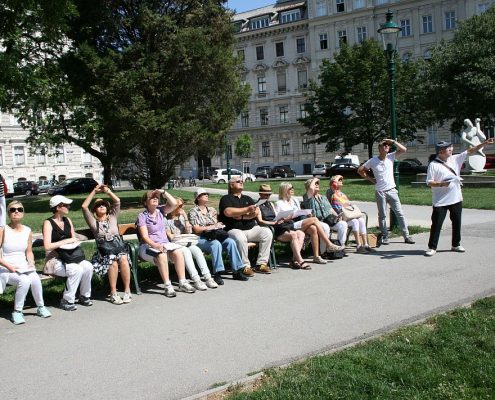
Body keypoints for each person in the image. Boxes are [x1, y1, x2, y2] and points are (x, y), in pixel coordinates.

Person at [424, 138, 495, 256]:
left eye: (451, 147)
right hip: (440, 201)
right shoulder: (433, 165)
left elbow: (470, 151)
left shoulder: (455, 159)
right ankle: (432, 247)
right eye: (448, 148)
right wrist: (442, 184)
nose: (451, 149)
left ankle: (456, 244)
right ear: (441, 151)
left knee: (457, 222)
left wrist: (484, 143)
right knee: (436, 224)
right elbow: (429, 182)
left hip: (456, 198)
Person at [0, 201, 51, 324]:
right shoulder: (3, 230)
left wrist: (31, 263)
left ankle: (40, 306)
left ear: (23, 213)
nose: (16, 211)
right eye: (12, 210)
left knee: (35, 278)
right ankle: (17, 311)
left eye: (19, 209)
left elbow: (29, 251)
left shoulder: (27, 230)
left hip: (23, 267)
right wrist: (9, 266)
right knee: (24, 280)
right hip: (6, 268)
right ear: (8, 214)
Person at [136, 189, 195, 297]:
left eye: (156, 197)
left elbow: (174, 203)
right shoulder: (142, 216)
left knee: (178, 252)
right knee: (162, 255)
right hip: (147, 246)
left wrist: (163, 192)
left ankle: (182, 282)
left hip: (164, 244)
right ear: (145, 202)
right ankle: (167, 285)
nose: (155, 198)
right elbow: (144, 237)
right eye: (151, 197)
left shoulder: (161, 211)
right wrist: (156, 245)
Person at [357, 138, 415, 245]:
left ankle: (406, 236)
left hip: (392, 190)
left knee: (400, 213)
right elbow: (360, 170)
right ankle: (384, 236)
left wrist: (392, 141)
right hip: (380, 191)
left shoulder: (391, 156)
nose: (386, 146)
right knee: (382, 215)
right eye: (384, 145)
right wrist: (371, 179)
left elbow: (404, 149)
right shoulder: (373, 160)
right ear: (379, 148)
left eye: (388, 145)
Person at [82, 184, 132, 305]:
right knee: (112, 261)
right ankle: (113, 293)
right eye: (98, 205)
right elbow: (84, 206)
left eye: (103, 204)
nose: (102, 206)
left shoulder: (113, 217)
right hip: (104, 252)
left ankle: (127, 290)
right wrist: (94, 190)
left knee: (123, 258)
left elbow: (117, 201)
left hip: (118, 247)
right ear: (95, 210)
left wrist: (107, 191)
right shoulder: (94, 222)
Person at [42, 195, 94, 311]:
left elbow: (73, 238)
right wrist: (65, 241)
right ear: (58, 207)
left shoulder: (67, 220)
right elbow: (47, 246)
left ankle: (84, 296)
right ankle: (67, 300)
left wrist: (73, 241)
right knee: (76, 269)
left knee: (88, 266)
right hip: (54, 259)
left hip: (70, 256)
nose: (68, 207)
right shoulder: (48, 223)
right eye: (66, 205)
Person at [188, 188, 248, 284]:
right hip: (201, 238)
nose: (207, 195)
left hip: (214, 235)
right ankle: (217, 273)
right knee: (216, 244)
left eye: (207, 194)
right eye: (204, 194)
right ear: (198, 198)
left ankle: (237, 271)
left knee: (231, 242)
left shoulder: (212, 210)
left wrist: (219, 226)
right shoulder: (193, 211)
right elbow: (196, 229)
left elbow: (216, 224)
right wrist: (211, 227)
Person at [275, 182, 344, 265]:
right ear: (284, 190)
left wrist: (305, 213)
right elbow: (278, 219)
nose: (292, 189)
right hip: (288, 226)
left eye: (292, 187)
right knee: (314, 219)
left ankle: (316, 256)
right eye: (290, 188)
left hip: (297, 222)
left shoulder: (294, 200)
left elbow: (298, 213)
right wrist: (288, 217)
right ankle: (329, 244)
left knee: (313, 229)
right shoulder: (279, 203)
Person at [219, 177, 273, 275]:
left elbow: (256, 212)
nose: (241, 182)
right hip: (233, 229)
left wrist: (241, 217)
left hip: (251, 229)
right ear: (231, 185)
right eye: (238, 181)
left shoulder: (247, 198)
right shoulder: (226, 198)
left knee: (267, 232)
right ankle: (244, 266)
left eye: (242, 181)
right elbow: (228, 212)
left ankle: (261, 264)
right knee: (240, 237)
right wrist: (247, 210)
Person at [165, 197, 215, 290]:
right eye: (179, 205)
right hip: (174, 245)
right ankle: (196, 280)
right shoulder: (165, 219)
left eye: (182, 205)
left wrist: (185, 218)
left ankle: (208, 277)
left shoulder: (181, 217)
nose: (181, 207)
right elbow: (170, 237)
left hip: (184, 242)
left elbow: (188, 232)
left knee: (197, 250)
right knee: (186, 252)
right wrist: (180, 236)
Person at [256, 184, 310, 269]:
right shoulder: (257, 206)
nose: (268, 196)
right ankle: (300, 260)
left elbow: (276, 216)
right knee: (294, 235)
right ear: (260, 194)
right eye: (266, 194)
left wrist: (281, 218)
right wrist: (273, 223)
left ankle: (294, 260)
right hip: (272, 228)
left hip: (279, 225)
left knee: (301, 233)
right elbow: (260, 221)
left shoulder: (271, 204)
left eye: (269, 194)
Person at [328, 175, 371, 253]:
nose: (341, 181)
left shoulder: (343, 194)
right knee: (355, 221)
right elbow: (334, 184)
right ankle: (359, 246)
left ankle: (366, 245)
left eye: (341, 180)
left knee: (360, 220)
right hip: (339, 218)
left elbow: (348, 207)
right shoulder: (331, 192)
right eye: (339, 181)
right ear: (333, 183)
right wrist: (338, 177)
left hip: (347, 216)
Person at [303, 177, 348, 249]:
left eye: (318, 184)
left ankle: (340, 246)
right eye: (315, 184)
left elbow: (330, 209)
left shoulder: (323, 197)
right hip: (316, 221)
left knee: (343, 224)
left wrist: (337, 216)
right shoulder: (308, 197)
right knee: (325, 227)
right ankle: (324, 251)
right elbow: (311, 189)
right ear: (309, 187)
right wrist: (315, 179)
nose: (317, 185)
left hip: (328, 220)